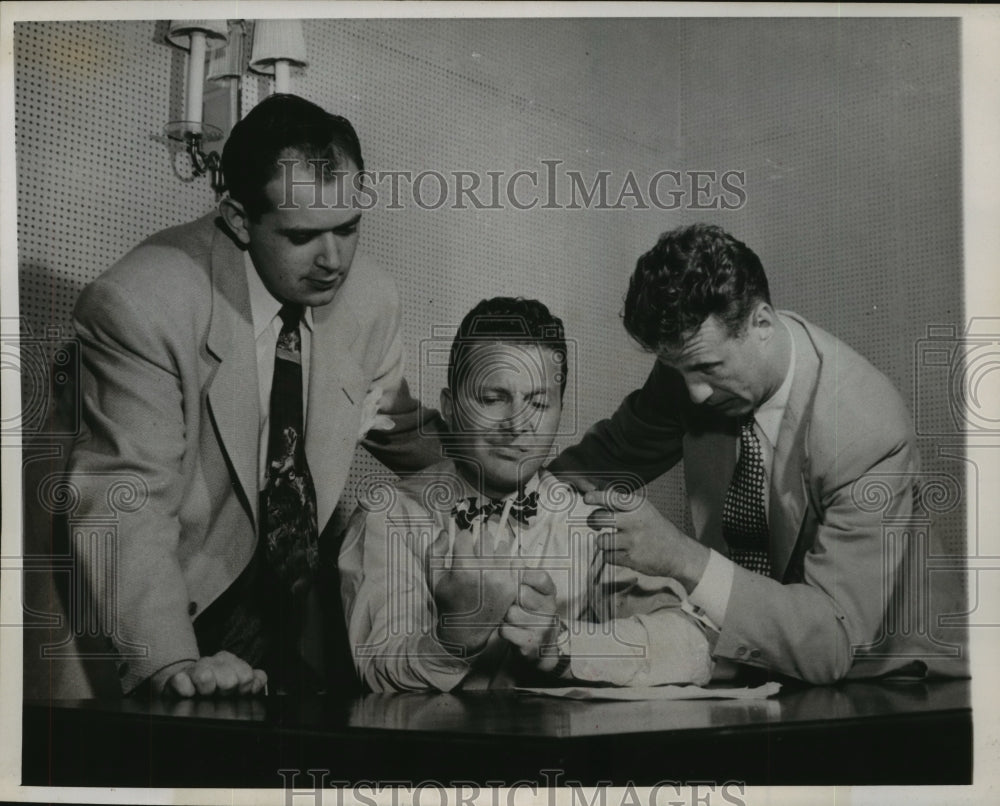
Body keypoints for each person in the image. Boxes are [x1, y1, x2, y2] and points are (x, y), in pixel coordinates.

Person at [67, 94, 442, 697]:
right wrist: (171, 666)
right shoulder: (143, 302)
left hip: (289, 626)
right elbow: (125, 499)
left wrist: (522, 473)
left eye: (348, 228)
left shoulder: (371, 298)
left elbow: (399, 426)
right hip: (166, 608)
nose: (334, 261)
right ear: (240, 220)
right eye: (303, 236)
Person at [549, 223, 959, 684]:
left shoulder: (866, 430)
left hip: (891, 677)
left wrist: (681, 557)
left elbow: (834, 643)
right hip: (756, 661)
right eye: (678, 370)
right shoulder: (690, 368)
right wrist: (504, 495)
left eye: (708, 367)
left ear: (762, 324)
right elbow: (599, 462)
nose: (695, 393)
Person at [339, 297, 714, 692]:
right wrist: (455, 637)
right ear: (449, 408)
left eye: (538, 403)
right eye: (492, 399)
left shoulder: (590, 522)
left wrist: (560, 645)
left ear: (560, 411)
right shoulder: (388, 517)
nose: (518, 425)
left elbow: (693, 646)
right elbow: (377, 671)